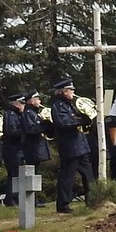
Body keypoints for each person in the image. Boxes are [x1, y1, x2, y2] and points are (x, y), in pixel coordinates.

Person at [47, 78, 91, 213]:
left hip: (79, 145)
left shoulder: (69, 105)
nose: (73, 92)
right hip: (70, 146)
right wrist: (81, 121)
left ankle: (92, 200)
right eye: (71, 90)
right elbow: (63, 123)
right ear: (64, 91)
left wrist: (86, 119)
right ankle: (63, 205)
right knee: (67, 176)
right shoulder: (58, 105)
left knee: (88, 175)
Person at [1, 94, 28, 202]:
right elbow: (11, 132)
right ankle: (11, 199)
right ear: (16, 104)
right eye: (22, 103)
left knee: (17, 174)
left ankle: (15, 197)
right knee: (13, 174)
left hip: (17, 149)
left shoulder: (18, 115)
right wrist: (25, 130)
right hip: (12, 149)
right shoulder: (11, 114)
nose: (23, 106)